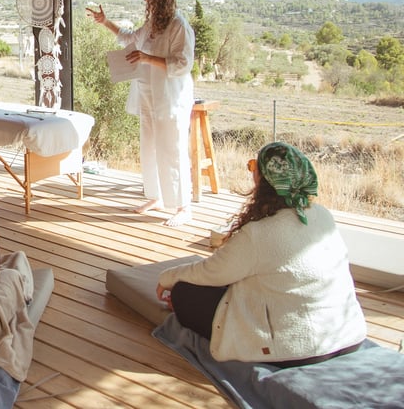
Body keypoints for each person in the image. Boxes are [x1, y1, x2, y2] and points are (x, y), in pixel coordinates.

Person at [155, 141, 367, 366]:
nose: (251, 172)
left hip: (293, 350)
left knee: (183, 292)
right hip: (347, 335)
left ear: (263, 181)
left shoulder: (257, 234)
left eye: (254, 166)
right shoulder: (323, 215)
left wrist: (167, 278)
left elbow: (213, 272)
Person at [87, 0, 195, 226]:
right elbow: (129, 38)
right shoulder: (152, 24)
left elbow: (183, 64)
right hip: (147, 94)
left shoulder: (179, 26)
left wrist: (147, 59)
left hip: (170, 97)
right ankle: (156, 196)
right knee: (149, 147)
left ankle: (183, 206)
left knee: (173, 149)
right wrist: (105, 22)